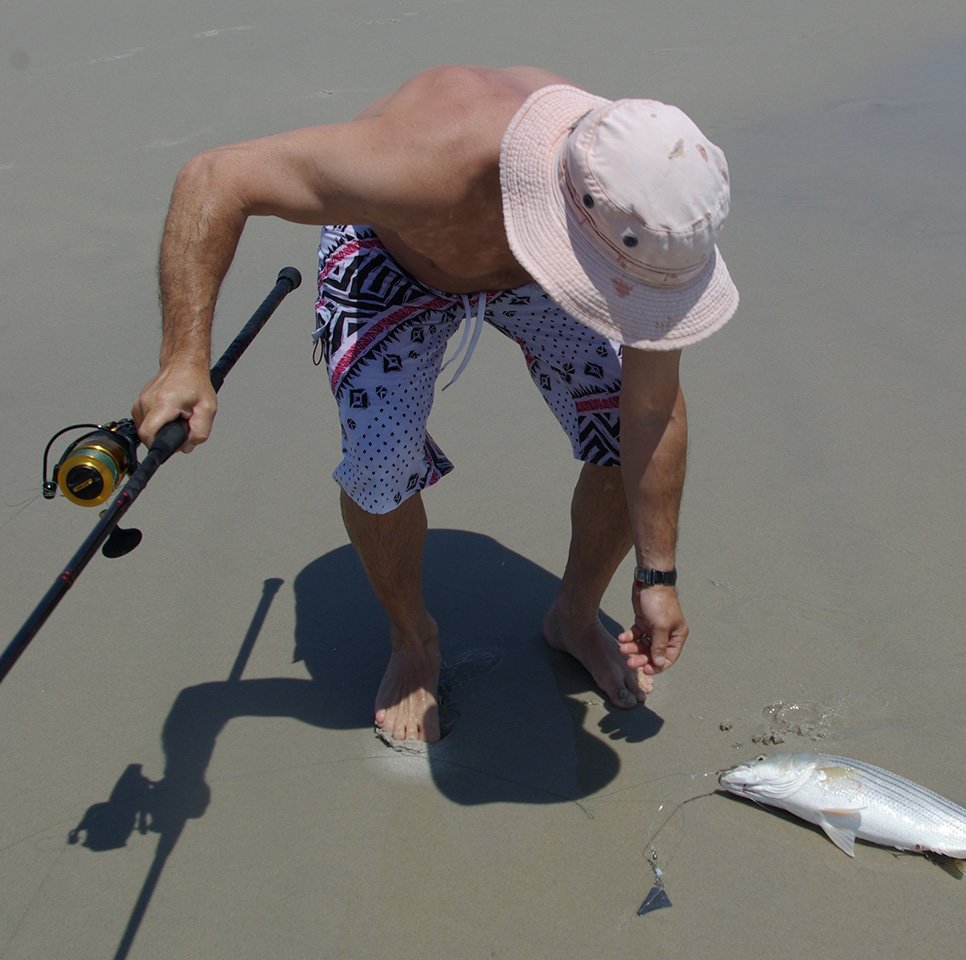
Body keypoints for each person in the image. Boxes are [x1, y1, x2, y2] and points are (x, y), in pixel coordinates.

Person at [132, 65, 738, 744]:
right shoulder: (425, 161)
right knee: (380, 464)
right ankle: (412, 640)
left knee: (621, 438)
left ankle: (573, 614)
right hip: (394, 258)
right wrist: (184, 358)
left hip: (544, 272)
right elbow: (216, 176)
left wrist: (657, 575)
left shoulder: (650, 208)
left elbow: (651, 412)